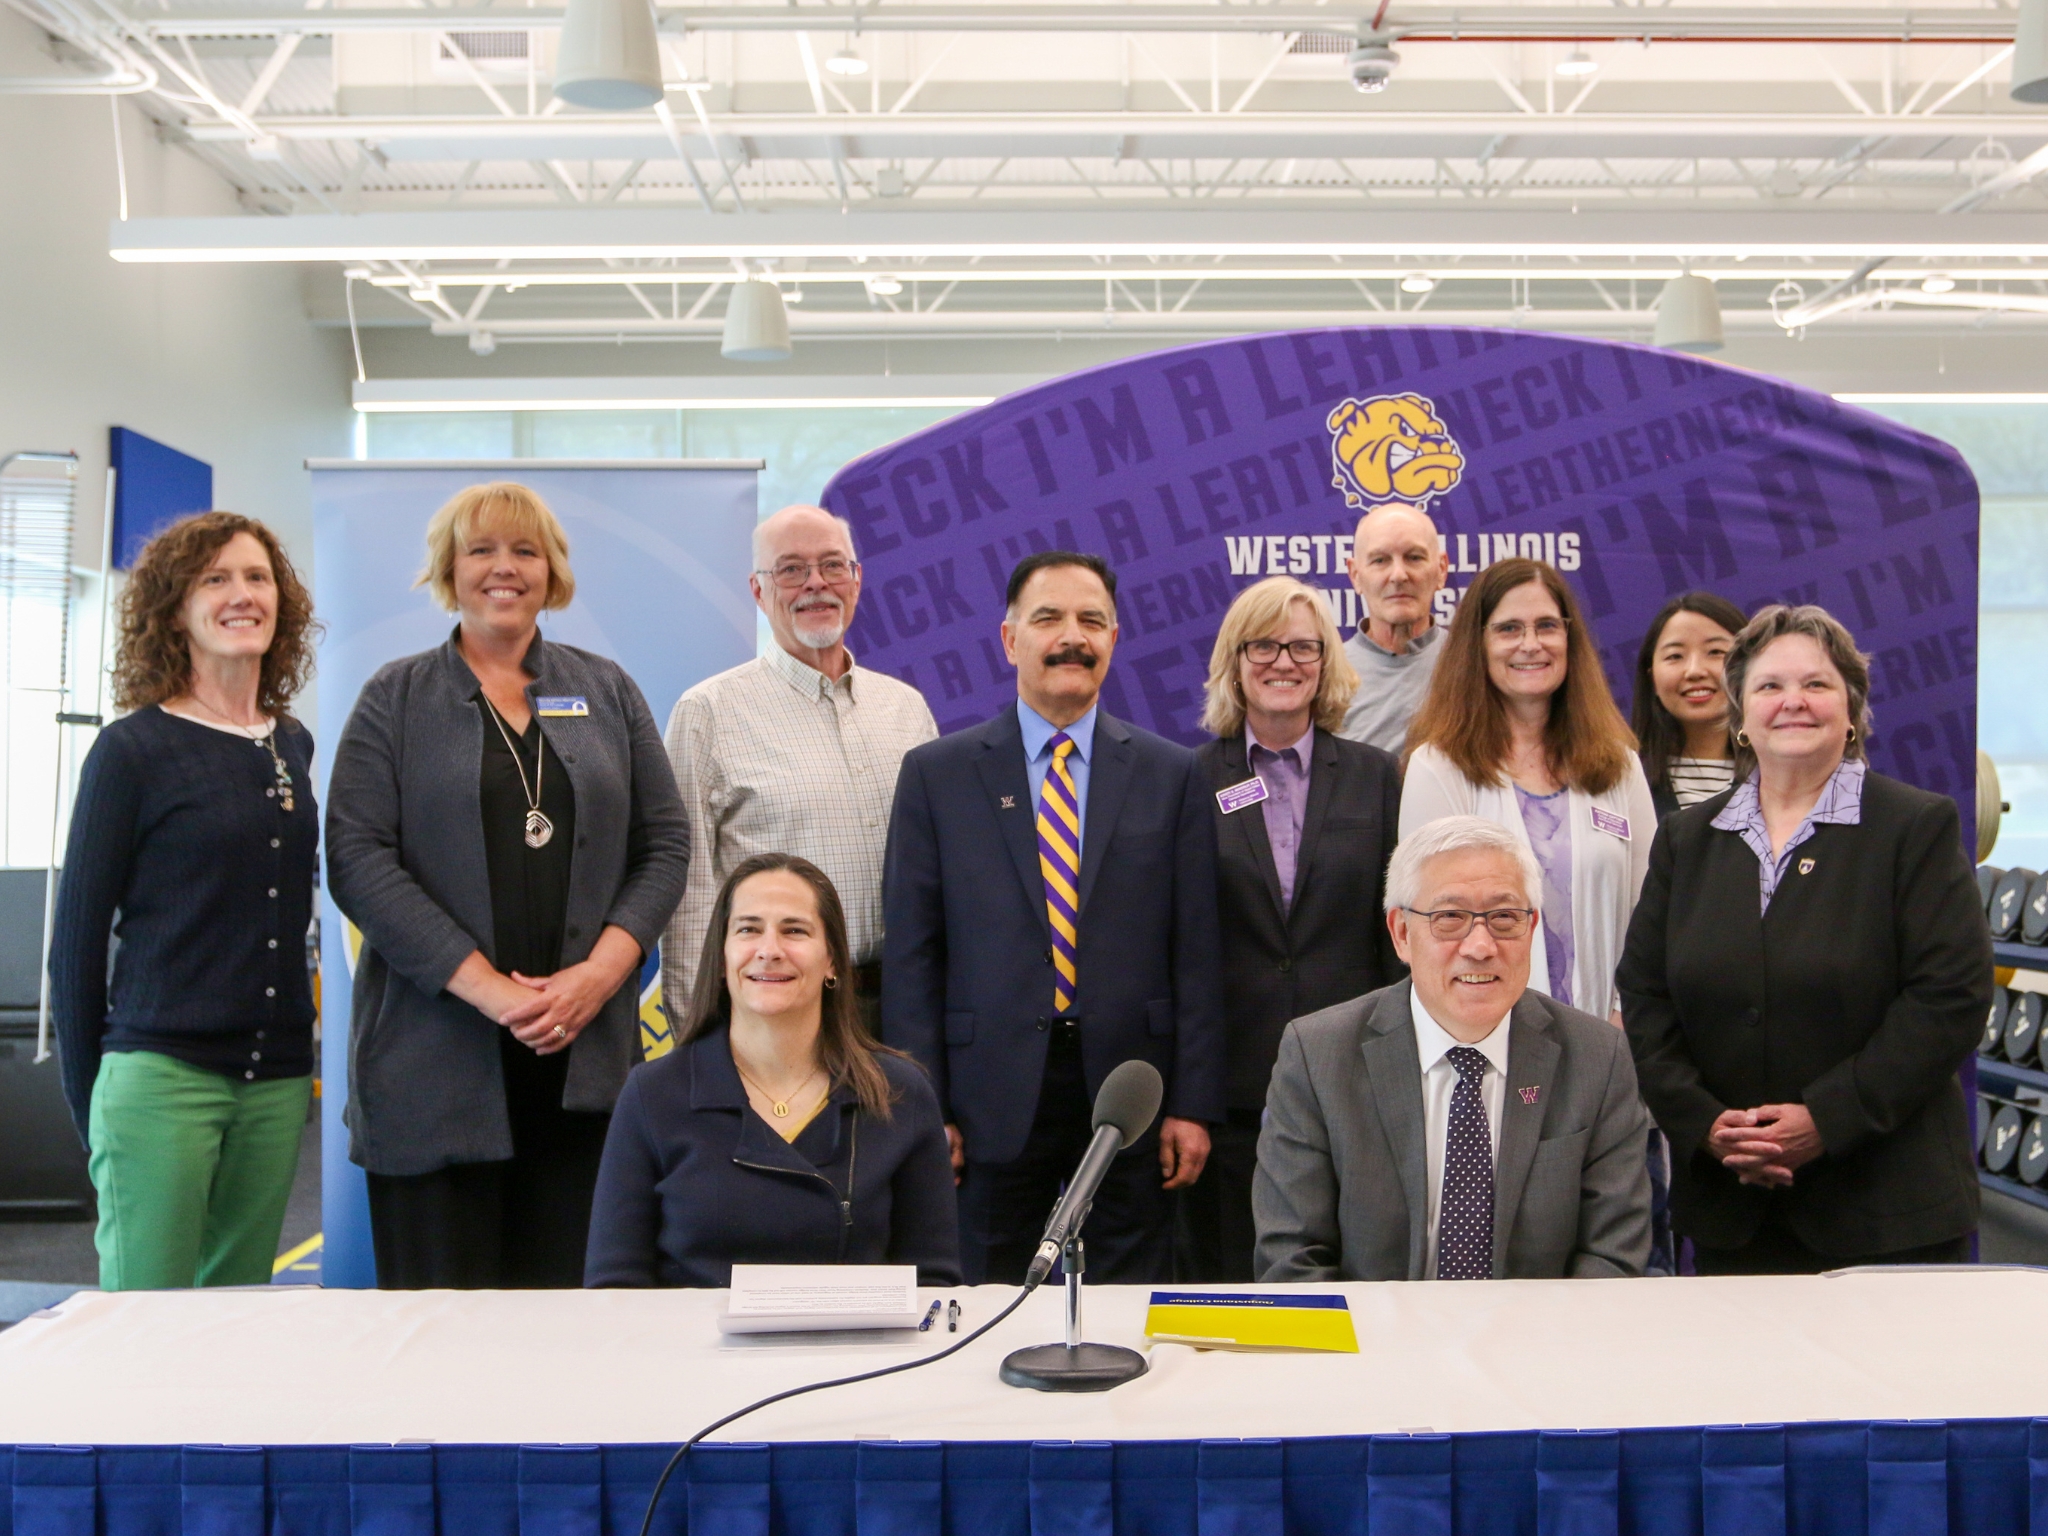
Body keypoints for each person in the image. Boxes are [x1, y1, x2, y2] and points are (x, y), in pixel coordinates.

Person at [326, 482, 690, 1288]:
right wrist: (495, 995)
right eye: (481, 550)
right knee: (437, 1329)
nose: (505, 567)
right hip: (431, 1068)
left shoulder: (607, 689)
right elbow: (356, 857)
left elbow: (665, 844)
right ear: (448, 571)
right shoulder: (395, 697)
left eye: (526, 551)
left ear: (551, 571)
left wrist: (598, 978)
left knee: (575, 1323)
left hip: (585, 1069)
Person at [883, 550, 1224, 1285]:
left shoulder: (1172, 775)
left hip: (1133, 1094)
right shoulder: (938, 775)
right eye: (1049, 619)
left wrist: (1194, 1104)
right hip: (987, 1097)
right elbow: (914, 957)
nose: (1073, 637)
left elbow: (1198, 952)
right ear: (1010, 640)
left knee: (1129, 1303)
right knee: (991, 1298)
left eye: (1091, 621)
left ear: (1114, 639)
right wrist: (924, 1107)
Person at [1619, 604, 1991, 1275]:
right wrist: (1705, 1124)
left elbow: (1950, 1000)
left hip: (1887, 1211)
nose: (1793, 701)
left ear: (1851, 712)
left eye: (1816, 684)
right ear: (1741, 714)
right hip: (1734, 1207)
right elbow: (1645, 997)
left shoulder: (1915, 827)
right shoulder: (1686, 840)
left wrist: (1827, 1119)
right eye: (1770, 686)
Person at [48, 513, 319, 1291]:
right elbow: (75, 948)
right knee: (144, 1322)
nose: (243, 595)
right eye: (215, 579)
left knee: (235, 1316)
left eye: (257, 577)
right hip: (162, 1079)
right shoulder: (131, 750)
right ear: (174, 610)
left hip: (275, 1084)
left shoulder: (291, 742)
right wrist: (95, 1107)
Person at [1254, 815, 1651, 1282]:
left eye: (1504, 918)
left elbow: (1611, 1259)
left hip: (1541, 1328)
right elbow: (1291, 1260)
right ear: (1402, 933)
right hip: (1374, 1328)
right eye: (1450, 918)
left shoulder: (1597, 1057)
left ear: (1532, 928)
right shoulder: (1318, 1056)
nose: (1480, 946)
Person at [586, 855, 960, 1287]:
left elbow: (932, 1285)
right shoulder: (652, 1093)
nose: (769, 950)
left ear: (832, 960)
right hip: (689, 1335)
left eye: (794, 930)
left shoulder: (900, 1091)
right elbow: (614, 1286)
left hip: (857, 1335)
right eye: (748, 929)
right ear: (722, 956)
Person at [1182, 575, 1404, 1282]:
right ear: (1235, 660)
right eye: (1264, 645)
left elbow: (1395, 935)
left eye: (1303, 646)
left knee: (1351, 1273)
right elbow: (1177, 944)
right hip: (1231, 1086)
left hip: (1353, 1076)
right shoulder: (1187, 780)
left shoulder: (1377, 777)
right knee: (1234, 1278)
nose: (1284, 662)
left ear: (1326, 660)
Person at [661, 505, 936, 1030]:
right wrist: (698, 1036)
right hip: (778, 1008)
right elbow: (689, 897)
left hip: (904, 1008)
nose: (816, 583)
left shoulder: (906, 709)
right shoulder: (708, 712)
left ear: (856, 580)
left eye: (832, 565)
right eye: (791, 569)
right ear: (758, 590)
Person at [1399, 557, 1655, 1024]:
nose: (1531, 644)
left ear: (1569, 638)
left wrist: (1622, 1018)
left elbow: (1651, 911)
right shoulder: (1438, 769)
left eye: (1547, 626)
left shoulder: (1619, 767)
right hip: (1482, 1036)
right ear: (1477, 644)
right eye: (1509, 629)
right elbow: (1434, 928)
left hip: (1611, 1038)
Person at [1337, 501, 1451, 754]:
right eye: (1380, 560)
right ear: (1355, 575)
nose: (1399, 575)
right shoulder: (1326, 673)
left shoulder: (1474, 662)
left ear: (1441, 570)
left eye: (1414, 557)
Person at [1633, 591, 1748, 823]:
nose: (1694, 671)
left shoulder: (1783, 776)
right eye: (1675, 656)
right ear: (1651, 677)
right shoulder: (1623, 778)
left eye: (1716, 652)